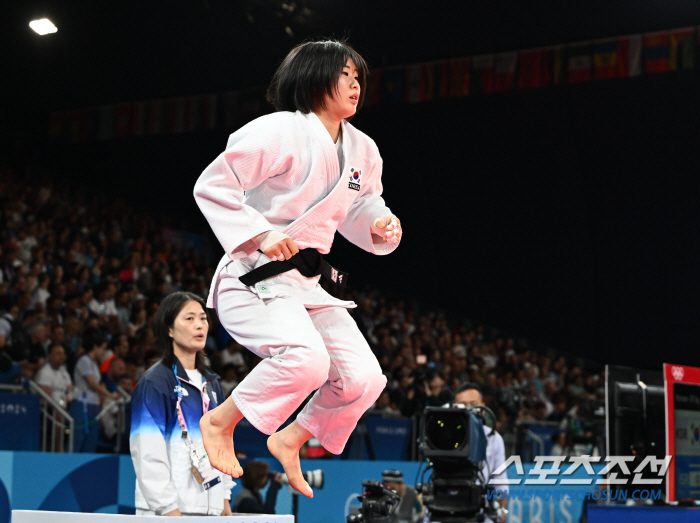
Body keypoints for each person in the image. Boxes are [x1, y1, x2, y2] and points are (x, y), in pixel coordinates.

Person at [194, 39, 402, 498]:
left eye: (357, 77)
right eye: (344, 74)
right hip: (254, 274)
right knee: (307, 361)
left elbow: (360, 207)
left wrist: (380, 225)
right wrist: (263, 233)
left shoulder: (363, 150)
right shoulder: (277, 131)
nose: (354, 83)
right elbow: (213, 185)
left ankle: (291, 437)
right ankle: (220, 421)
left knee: (364, 378)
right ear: (312, 78)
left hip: (308, 284)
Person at [130, 291, 234, 516]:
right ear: (169, 329)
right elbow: (147, 452)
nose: (199, 325)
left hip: (211, 511)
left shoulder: (212, 384)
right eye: (189, 318)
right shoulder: (155, 382)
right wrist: (169, 510)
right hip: (167, 512)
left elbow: (222, 444)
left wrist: (224, 499)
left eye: (203, 318)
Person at [453, 382, 508, 523]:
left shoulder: (493, 438)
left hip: (482, 512)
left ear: (483, 408)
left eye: (473, 404)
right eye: (463, 404)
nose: (469, 409)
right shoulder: (444, 436)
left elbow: (500, 482)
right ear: (454, 408)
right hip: (446, 505)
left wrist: (502, 511)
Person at [71, 327, 119, 452]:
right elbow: (92, 383)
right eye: (102, 348)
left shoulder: (94, 363)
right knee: (79, 438)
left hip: (94, 405)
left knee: (91, 439)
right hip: (82, 404)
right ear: (95, 347)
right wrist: (109, 394)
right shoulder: (84, 360)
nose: (104, 352)